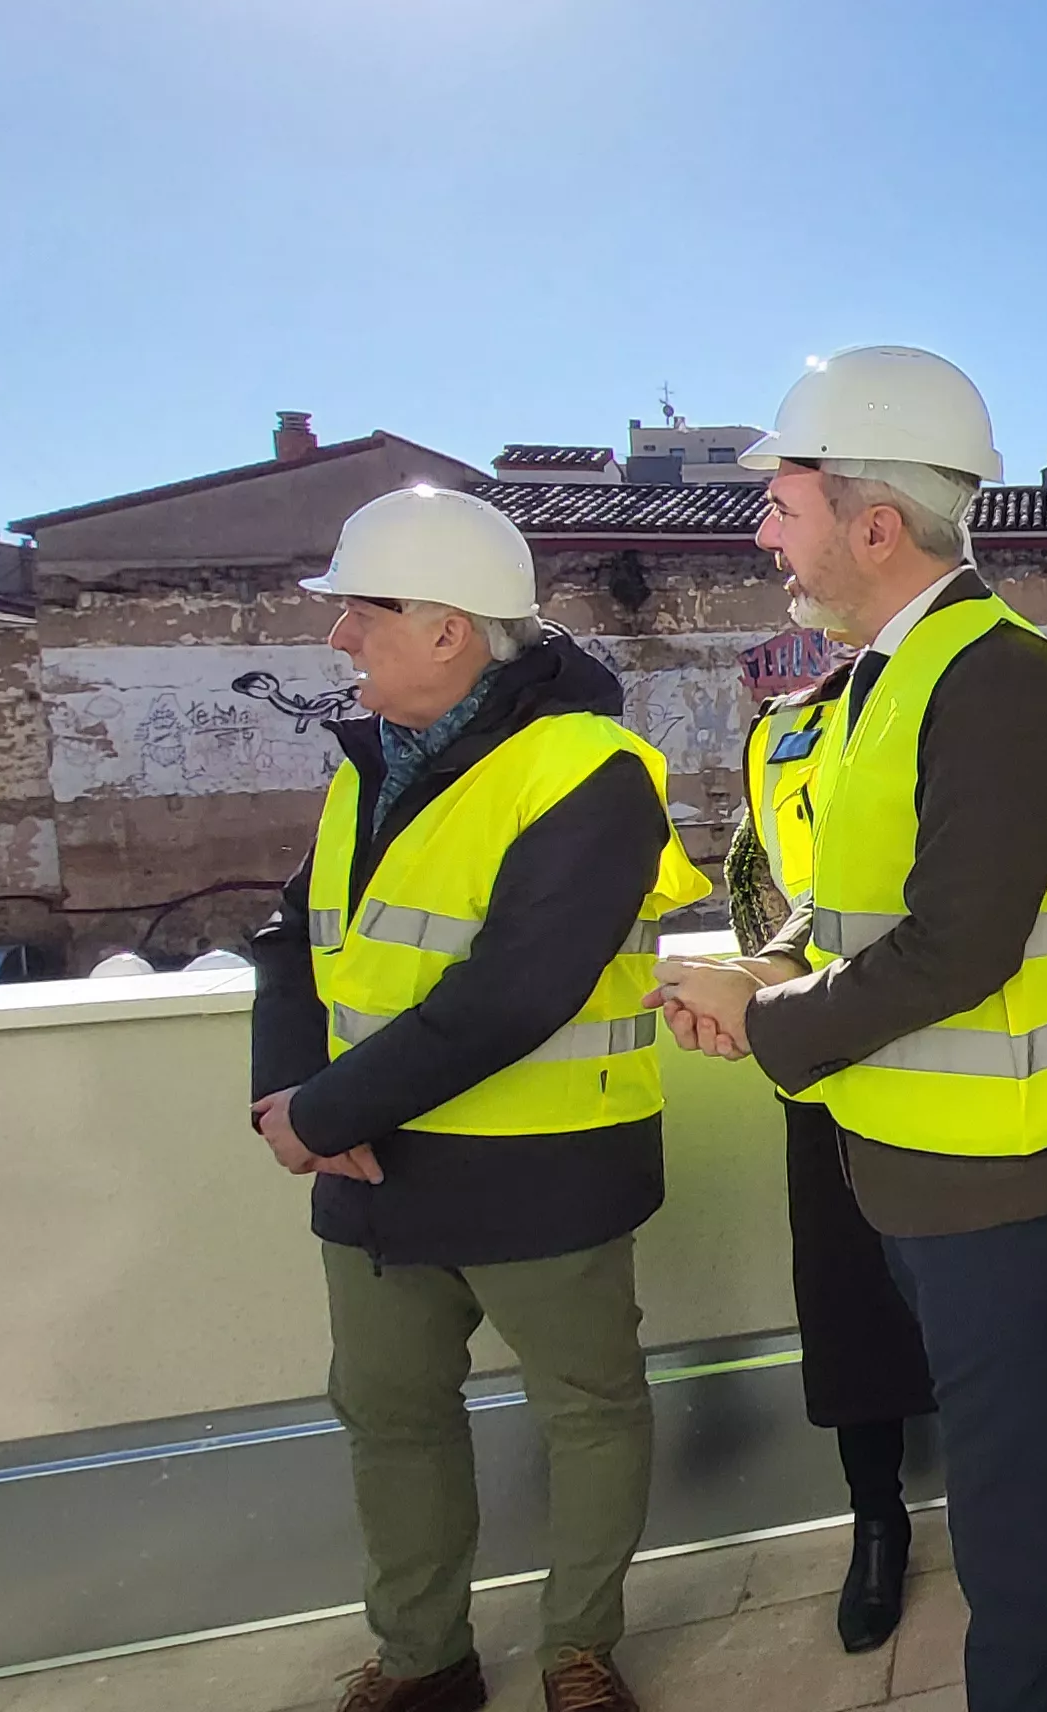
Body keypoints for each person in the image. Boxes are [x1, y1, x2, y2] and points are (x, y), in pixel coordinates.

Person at [649, 346, 1047, 1712]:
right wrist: (756, 976)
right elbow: (848, 908)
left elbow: (960, 945)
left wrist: (775, 1032)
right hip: (915, 1155)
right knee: (1037, 1435)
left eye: (782, 505)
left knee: (1009, 1519)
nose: (763, 531)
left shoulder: (993, 676)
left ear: (874, 523)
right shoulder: (881, 680)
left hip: (1006, 1174)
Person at [245, 485, 712, 1712]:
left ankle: (578, 1650)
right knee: (390, 1419)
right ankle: (422, 1660)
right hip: (374, 1177)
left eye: (362, 612)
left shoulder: (588, 771)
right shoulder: (368, 767)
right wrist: (288, 1097)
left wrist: (325, 1116)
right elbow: (296, 942)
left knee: (588, 1411)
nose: (339, 638)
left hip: (541, 1166)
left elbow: (521, 989)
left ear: (449, 628)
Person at [718, 644, 939, 1656]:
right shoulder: (785, 733)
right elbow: (782, 884)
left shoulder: (943, 698)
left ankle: (998, 1506)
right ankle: (878, 1520)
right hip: (821, 1042)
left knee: (973, 1289)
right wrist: (766, 982)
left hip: (948, 1040)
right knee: (848, 1297)